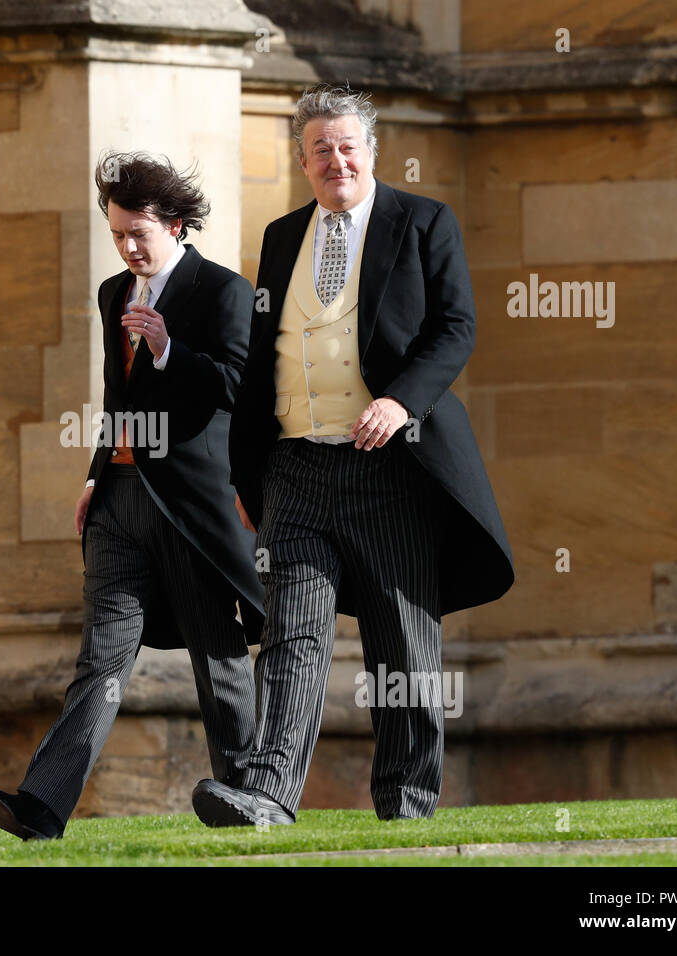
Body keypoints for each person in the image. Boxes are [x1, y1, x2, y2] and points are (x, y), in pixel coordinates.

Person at [193, 85, 514, 827]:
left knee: (401, 646)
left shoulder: (424, 221)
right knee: (290, 634)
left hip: (392, 468)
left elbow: (456, 328)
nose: (335, 159)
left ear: (370, 150)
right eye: (319, 150)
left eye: (347, 146)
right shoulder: (281, 237)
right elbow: (265, 354)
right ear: (301, 161)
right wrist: (249, 473)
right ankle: (268, 794)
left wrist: (403, 401)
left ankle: (406, 802)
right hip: (296, 468)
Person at [0, 151, 265, 839]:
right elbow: (118, 400)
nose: (128, 247)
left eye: (139, 232)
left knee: (216, 657)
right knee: (101, 660)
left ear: (176, 224)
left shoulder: (223, 292)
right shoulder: (113, 294)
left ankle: (251, 798)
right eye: (117, 234)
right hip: (120, 504)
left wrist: (169, 350)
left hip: (191, 510)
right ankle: (42, 808)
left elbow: (235, 391)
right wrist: (96, 476)